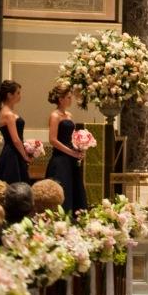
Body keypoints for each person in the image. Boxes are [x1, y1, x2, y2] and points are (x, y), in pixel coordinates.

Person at [44, 81, 87, 213]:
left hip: (71, 158)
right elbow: (52, 140)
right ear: (61, 99)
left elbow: (71, 137)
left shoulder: (68, 115)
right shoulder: (55, 115)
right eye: (68, 97)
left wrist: (80, 147)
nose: (71, 99)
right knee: (63, 188)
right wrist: (71, 152)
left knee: (74, 188)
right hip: (60, 159)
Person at [0, 80, 32, 184]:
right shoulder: (8, 114)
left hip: (12, 152)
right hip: (12, 154)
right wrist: (25, 156)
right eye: (18, 93)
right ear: (9, 95)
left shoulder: (5, 111)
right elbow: (15, 139)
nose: (20, 95)